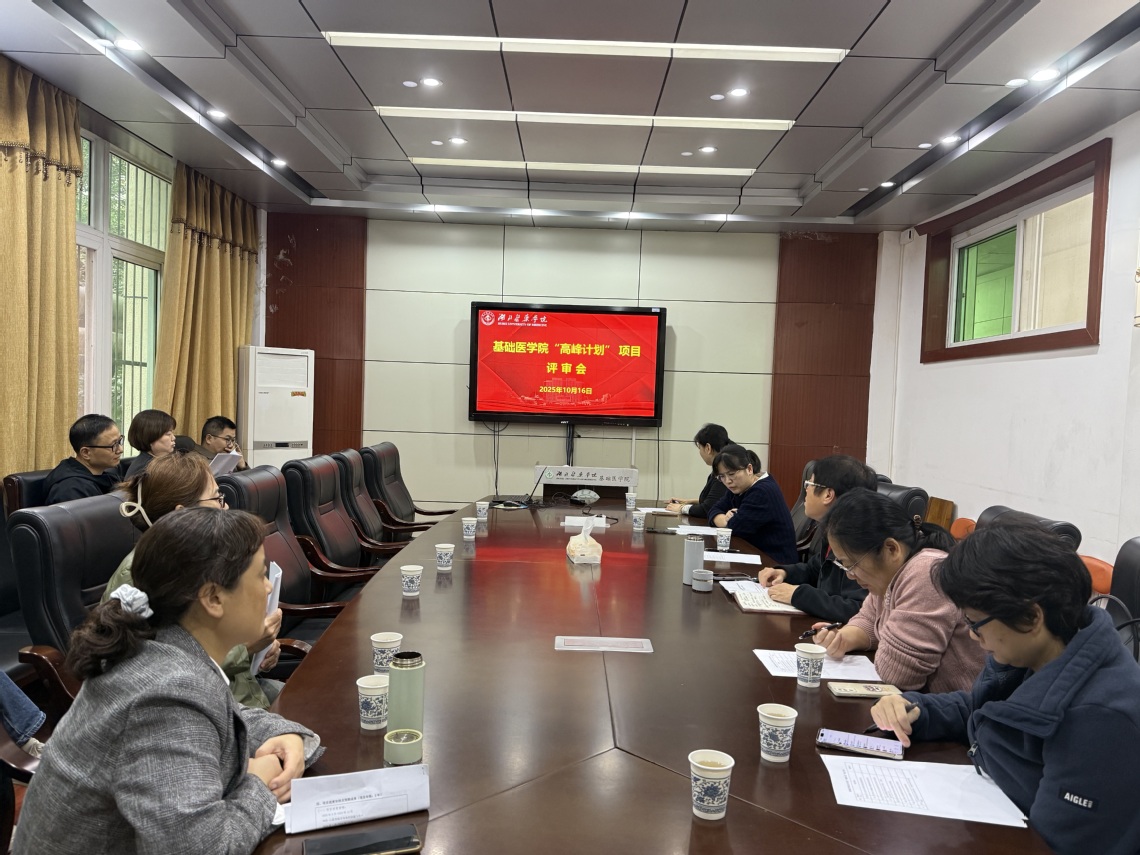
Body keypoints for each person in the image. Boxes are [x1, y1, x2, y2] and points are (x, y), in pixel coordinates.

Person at [12, 508, 322, 855]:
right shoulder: (164, 692)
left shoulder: (164, 649)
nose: (268, 587)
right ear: (213, 598)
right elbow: (202, 850)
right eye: (261, 574)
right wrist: (259, 783)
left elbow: (224, 710)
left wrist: (285, 735)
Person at [869, 524, 1140, 855]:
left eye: (975, 623)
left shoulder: (1102, 721)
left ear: (1030, 617)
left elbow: (1054, 846)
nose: (972, 635)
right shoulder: (1040, 652)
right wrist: (915, 709)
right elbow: (983, 711)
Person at [103, 452, 283, 709]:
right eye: (217, 498)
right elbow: (158, 672)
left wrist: (263, 650)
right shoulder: (140, 577)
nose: (226, 507)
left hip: (241, 690)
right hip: (200, 707)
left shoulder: (203, 554)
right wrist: (246, 648)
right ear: (184, 513)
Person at [811, 489, 983, 693]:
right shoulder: (891, 573)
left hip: (959, 707)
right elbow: (869, 619)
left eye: (852, 565)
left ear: (891, 549)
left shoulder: (925, 572)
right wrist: (843, 638)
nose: (850, 575)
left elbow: (899, 675)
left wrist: (884, 641)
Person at [757, 455, 877, 621]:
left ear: (828, 495)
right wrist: (784, 572)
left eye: (809, 484)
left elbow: (858, 609)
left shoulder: (861, 543)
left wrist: (798, 595)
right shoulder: (833, 530)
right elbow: (815, 570)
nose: (805, 490)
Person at [707, 445, 798, 563]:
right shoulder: (738, 488)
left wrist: (727, 522)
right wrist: (725, 519)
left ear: (749, 469)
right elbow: (713, 510)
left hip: (774, 562)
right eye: (722, 476)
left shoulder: (763, 491)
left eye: (732, 474)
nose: (728, 481)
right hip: (754, 554)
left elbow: (735, 528)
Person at [43, 414, 123, 504]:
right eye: (113, 445)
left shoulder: (105, 476)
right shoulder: (71, 489)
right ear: (86, 453)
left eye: (120, 441)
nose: (120, 450)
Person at [664, 423, 732, 518]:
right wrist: (688, 502)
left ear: (708, 448)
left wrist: (682, 508)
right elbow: (713, 500)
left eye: (700, 448)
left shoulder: (724, 474)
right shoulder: (719, 469)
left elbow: (708, 509)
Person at [122, 408, 177, 480]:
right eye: (168, 434)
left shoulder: (158, 462)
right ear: (150, 437)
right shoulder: (145, 470)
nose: (173, 438)